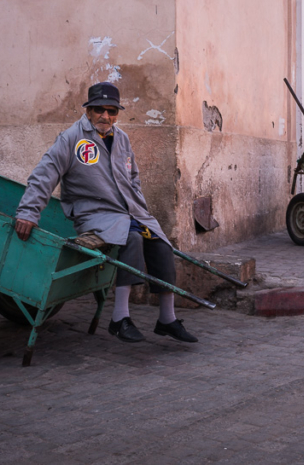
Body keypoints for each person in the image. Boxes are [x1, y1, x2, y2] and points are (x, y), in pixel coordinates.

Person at [14, 82, 197, 344]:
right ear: (88, 110)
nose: (106, 116)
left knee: (161, 242)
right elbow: (44, 175)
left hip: (128, 212)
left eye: (112, 111)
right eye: (99, 109)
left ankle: (167, 319)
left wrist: (140, 207)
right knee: (131, 238)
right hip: (93, 213)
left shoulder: (121, 138)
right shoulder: (71, 138)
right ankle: (119, 318)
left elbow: (133, 177)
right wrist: (28, 213)